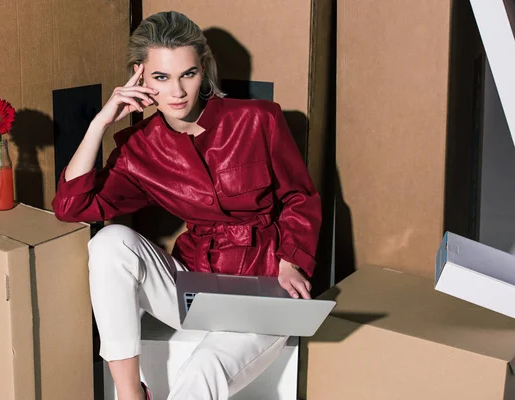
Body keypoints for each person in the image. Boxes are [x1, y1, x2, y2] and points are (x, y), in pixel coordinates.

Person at [52, 10, 322, 400]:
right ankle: (130, 394)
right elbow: (71, 207)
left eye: (188, 74)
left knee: (203, 369)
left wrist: (290, 260)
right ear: (139, 75)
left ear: (204, 70)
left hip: (263, 286)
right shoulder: (139, 148)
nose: (177, 92)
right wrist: (100, 123)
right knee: (109, 242)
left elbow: (299, 196)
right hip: (195, 284)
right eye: (161, 77)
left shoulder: (258, 120)